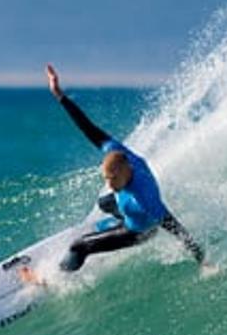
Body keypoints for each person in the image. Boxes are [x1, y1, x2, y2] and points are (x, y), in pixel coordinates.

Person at [46, 63, 206, 273]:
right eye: (106, 179)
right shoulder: (121, 154)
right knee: (104, 202)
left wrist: (203, 261)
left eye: (112, 180)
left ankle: (54, 278)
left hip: (138, 231)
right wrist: (60, 96)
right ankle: (115, 220)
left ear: (124, 172)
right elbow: (89, 128)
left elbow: (179, 231)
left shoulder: (145, 199)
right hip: (130, 209)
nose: (109, 185)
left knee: (79, 245)